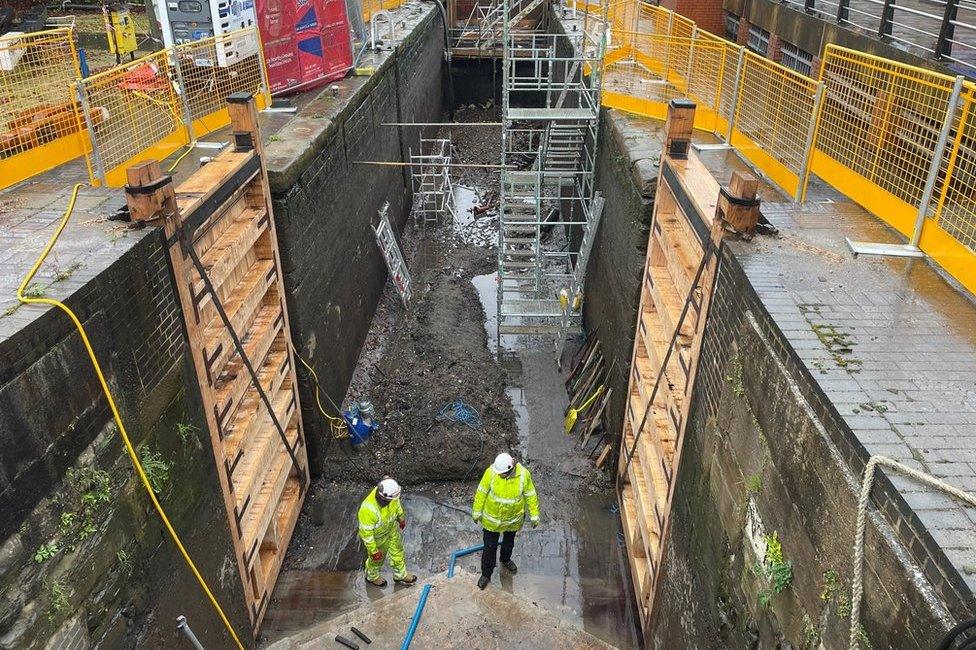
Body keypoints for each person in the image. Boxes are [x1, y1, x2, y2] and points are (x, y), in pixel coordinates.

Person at [471, 452, 540, 589]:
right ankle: (486, 573)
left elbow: (531, 495)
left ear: (510, 469)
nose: (499, 475)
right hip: (492, 520)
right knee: (489, 547)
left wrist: (534, 515)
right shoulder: (491, 472)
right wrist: (476, 512)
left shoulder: (523, 475)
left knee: (508, 543)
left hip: (512, 520)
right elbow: (481, 492)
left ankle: (505, 559)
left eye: (502, 473)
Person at [358, 477, 417, 587]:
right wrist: (374, 551)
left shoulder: (391, 496)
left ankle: (400, 574)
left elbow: (396, 504)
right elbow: (366, 534)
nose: (394, 500)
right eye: (391, 499)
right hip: (378, 537)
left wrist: (401, 517)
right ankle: (372, 576)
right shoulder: (367, 510)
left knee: (398, 552)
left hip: (391, 529)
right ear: (383, 498)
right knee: (377, 559)